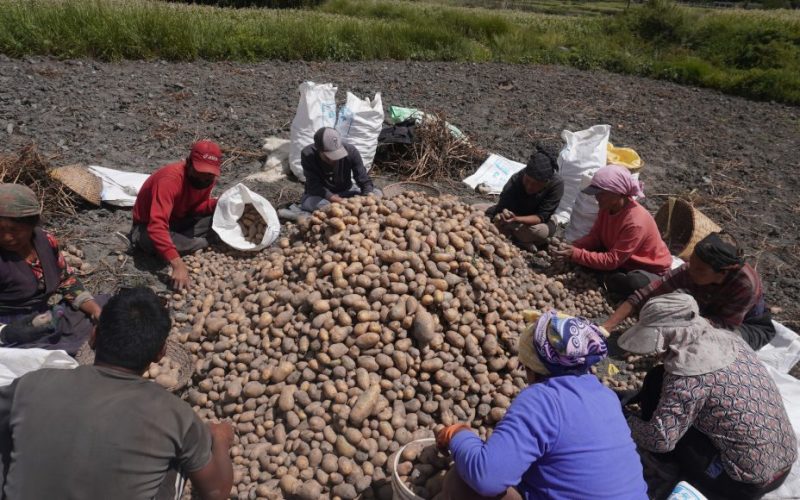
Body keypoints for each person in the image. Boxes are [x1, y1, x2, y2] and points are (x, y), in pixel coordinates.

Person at [0, 287, 234, 500]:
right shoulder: (175, 416)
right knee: (179, 457)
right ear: (160, 353)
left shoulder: (31, 384)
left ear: (93, 336)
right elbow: (216, 492)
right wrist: (221, 441)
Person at [435, 310, 648, 499]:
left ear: (533, 367)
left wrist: (458, 435)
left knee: (461, 481)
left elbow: (486, 477)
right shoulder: (607, 396)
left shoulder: (542, 399)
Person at [618, 292, 796, 500]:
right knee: (658, 377)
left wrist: (626, 420)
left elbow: (659, 440)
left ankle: (674, 466)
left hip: (741, 483)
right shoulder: (731, 341)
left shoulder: (687, 377)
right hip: (784, 463)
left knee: (662, 434)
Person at [603, 232, 775, 350]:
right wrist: (606, 327)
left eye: (699, 269)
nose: (691, 270)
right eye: (691, 262)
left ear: (722, 273)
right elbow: (645, 294)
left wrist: (675, 330)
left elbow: (724, 327)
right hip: (703, 306)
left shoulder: (745, 286)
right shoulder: (692, 270)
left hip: (743, 325)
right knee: (637, 283)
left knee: (724, 347)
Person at [0, 183, 104, 355]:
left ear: (31, 225)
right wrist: (7, 332)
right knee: (33, 356)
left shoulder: (46, 241)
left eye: (15, 230)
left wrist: (95, 311)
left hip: (44, 318)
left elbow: (66, 280)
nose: (7, 237)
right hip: (13, 331)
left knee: (104, 304)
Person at [553, 164, 672, 298]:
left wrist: (577, 254)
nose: (596, 198)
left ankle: (610, 280)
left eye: (601, 194)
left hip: (647, 269)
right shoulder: (606, 207)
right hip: (621, 258)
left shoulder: (635, 223)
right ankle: (607, 279)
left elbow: (612, 260)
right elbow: (596, 236)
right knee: (585, 259)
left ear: (617, 193)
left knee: (633, 283)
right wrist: (576, 245)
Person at [131, 140, 222, 290]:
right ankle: (202, 242)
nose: (203, 178)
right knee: (149, 239)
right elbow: (157, 226)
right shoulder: (170, 180)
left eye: (209, 175)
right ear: (188, 163)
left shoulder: (207, 180)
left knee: (217, 217)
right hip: (146, 227)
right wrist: (178, 264)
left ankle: (189, 240)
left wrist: (217, 203)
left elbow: (194, 208)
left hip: (180, 220)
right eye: (200, 172)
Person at [485, 146, 564, 251]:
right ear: (525, 175)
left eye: (536, 184)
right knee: (476, 208)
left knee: (539, 232)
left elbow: (541, 217)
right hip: (513, 217)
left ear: (546, 182)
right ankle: (521, 241)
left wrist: (516, 219)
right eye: (527, 181)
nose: (529, 186)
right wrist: (503, 214)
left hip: (538, 222)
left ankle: (515, 236)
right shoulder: (517, 178)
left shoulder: (556, 184)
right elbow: (502, 206)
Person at [300, 127, 379, 212]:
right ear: (319, 150)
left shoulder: (351, 151)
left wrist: (367, 199)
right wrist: (340, 201)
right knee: (324, 206)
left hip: (346, 191)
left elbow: (363, 180)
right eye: (328, 157)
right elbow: (314, 186)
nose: (334, 160)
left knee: (377, 193)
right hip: (320, 196)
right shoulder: (308, 154)